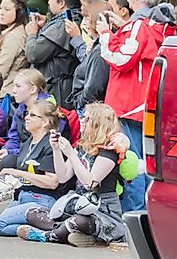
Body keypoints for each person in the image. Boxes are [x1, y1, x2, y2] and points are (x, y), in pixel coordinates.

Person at [97, 0, 177, 212]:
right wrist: (123, 29)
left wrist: (105, 34)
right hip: (146, 104)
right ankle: (147, 213)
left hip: (128, 104)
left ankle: (133, 214)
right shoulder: (160, 27)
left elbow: (120, 59)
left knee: (130, 163)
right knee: (146, 163)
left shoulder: (138, 26)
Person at [18, 103, 128, 247]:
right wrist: (56, 150)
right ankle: (72, 233)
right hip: (77, 203)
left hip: (101, 210)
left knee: (79, 221)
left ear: (98, 124)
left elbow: (90, 183)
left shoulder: (109, 151)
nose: (82, 121)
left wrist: (70, 153)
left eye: (87, 119)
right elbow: (63, 177)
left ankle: (48, 235)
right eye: (83, 117)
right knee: (32, 213)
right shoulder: (82, 146)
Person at [0, 100, 64, 236]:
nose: (26, 117)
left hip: (42, 199)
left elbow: (52, 182)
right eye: (27, 114)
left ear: (45, 122)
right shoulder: (28, 142)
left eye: (32, 115)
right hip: (23, 197)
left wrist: (16, 172)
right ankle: (29, 227)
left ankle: (39, 232)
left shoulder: (50, 144)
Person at [25, 0, 81, 107]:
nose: (48, 2)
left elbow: (33, 54)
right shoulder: (74, 18)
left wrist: (32, 33)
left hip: (57, 89)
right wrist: (47, 24)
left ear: (61, 3)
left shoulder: (62, 24)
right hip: (62, 85)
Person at [66, 1, 111, 113]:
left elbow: (94, 88)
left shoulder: (100, 51)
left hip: (89, 108)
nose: (84, 23)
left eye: (87, 18)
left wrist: (79, 102)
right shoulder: (97, 46)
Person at [4, 68, 52, 156]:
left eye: (18, 86)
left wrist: (11, 153)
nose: (13, 91)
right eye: (14, 86)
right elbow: (14, 138)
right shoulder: (20, 109)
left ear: (33, 89)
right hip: (21, 152)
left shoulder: (48, 111)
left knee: (7, 161)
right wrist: (6, 150)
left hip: (39, 157)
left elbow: (42, 147)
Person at [0, 0, 29, 99]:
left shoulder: (14, 36)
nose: (1, 13)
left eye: (7, 9)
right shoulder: (10, 32)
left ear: (19, 13)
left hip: (7, 91)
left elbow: (2, 69)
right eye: (0, 8)